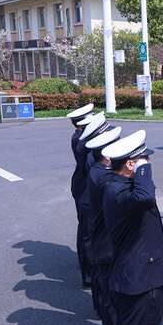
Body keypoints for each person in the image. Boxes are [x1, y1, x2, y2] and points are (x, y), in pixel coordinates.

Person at [102, 130, 163, 325]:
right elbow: (146, 196)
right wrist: (143, 168)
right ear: (131, 165)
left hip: (136, 275)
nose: (149, 165)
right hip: (139, 282)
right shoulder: (120, 192)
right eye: (144, 160)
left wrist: (140, 168)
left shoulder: (119, 185)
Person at [84, 125, 122, 325]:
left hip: (101, 242)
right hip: (107, 245)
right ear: (107, 155)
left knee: (107, 298)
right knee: (112, 305)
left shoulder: (97, 169)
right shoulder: (105, 177)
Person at [76, 112, 112, 310]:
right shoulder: (93, 158)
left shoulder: (88, 147)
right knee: (93, 245)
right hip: (91, 204)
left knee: (90, 241)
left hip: (87, 200)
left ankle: (93, 284)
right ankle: (95, 290)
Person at [67, 103, 95, 288]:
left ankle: (84, 263)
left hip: (80, 186)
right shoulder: (83, 140)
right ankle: (88, 275)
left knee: (84, 229)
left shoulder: (78, 136)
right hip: (86, 190)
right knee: (88, 232)